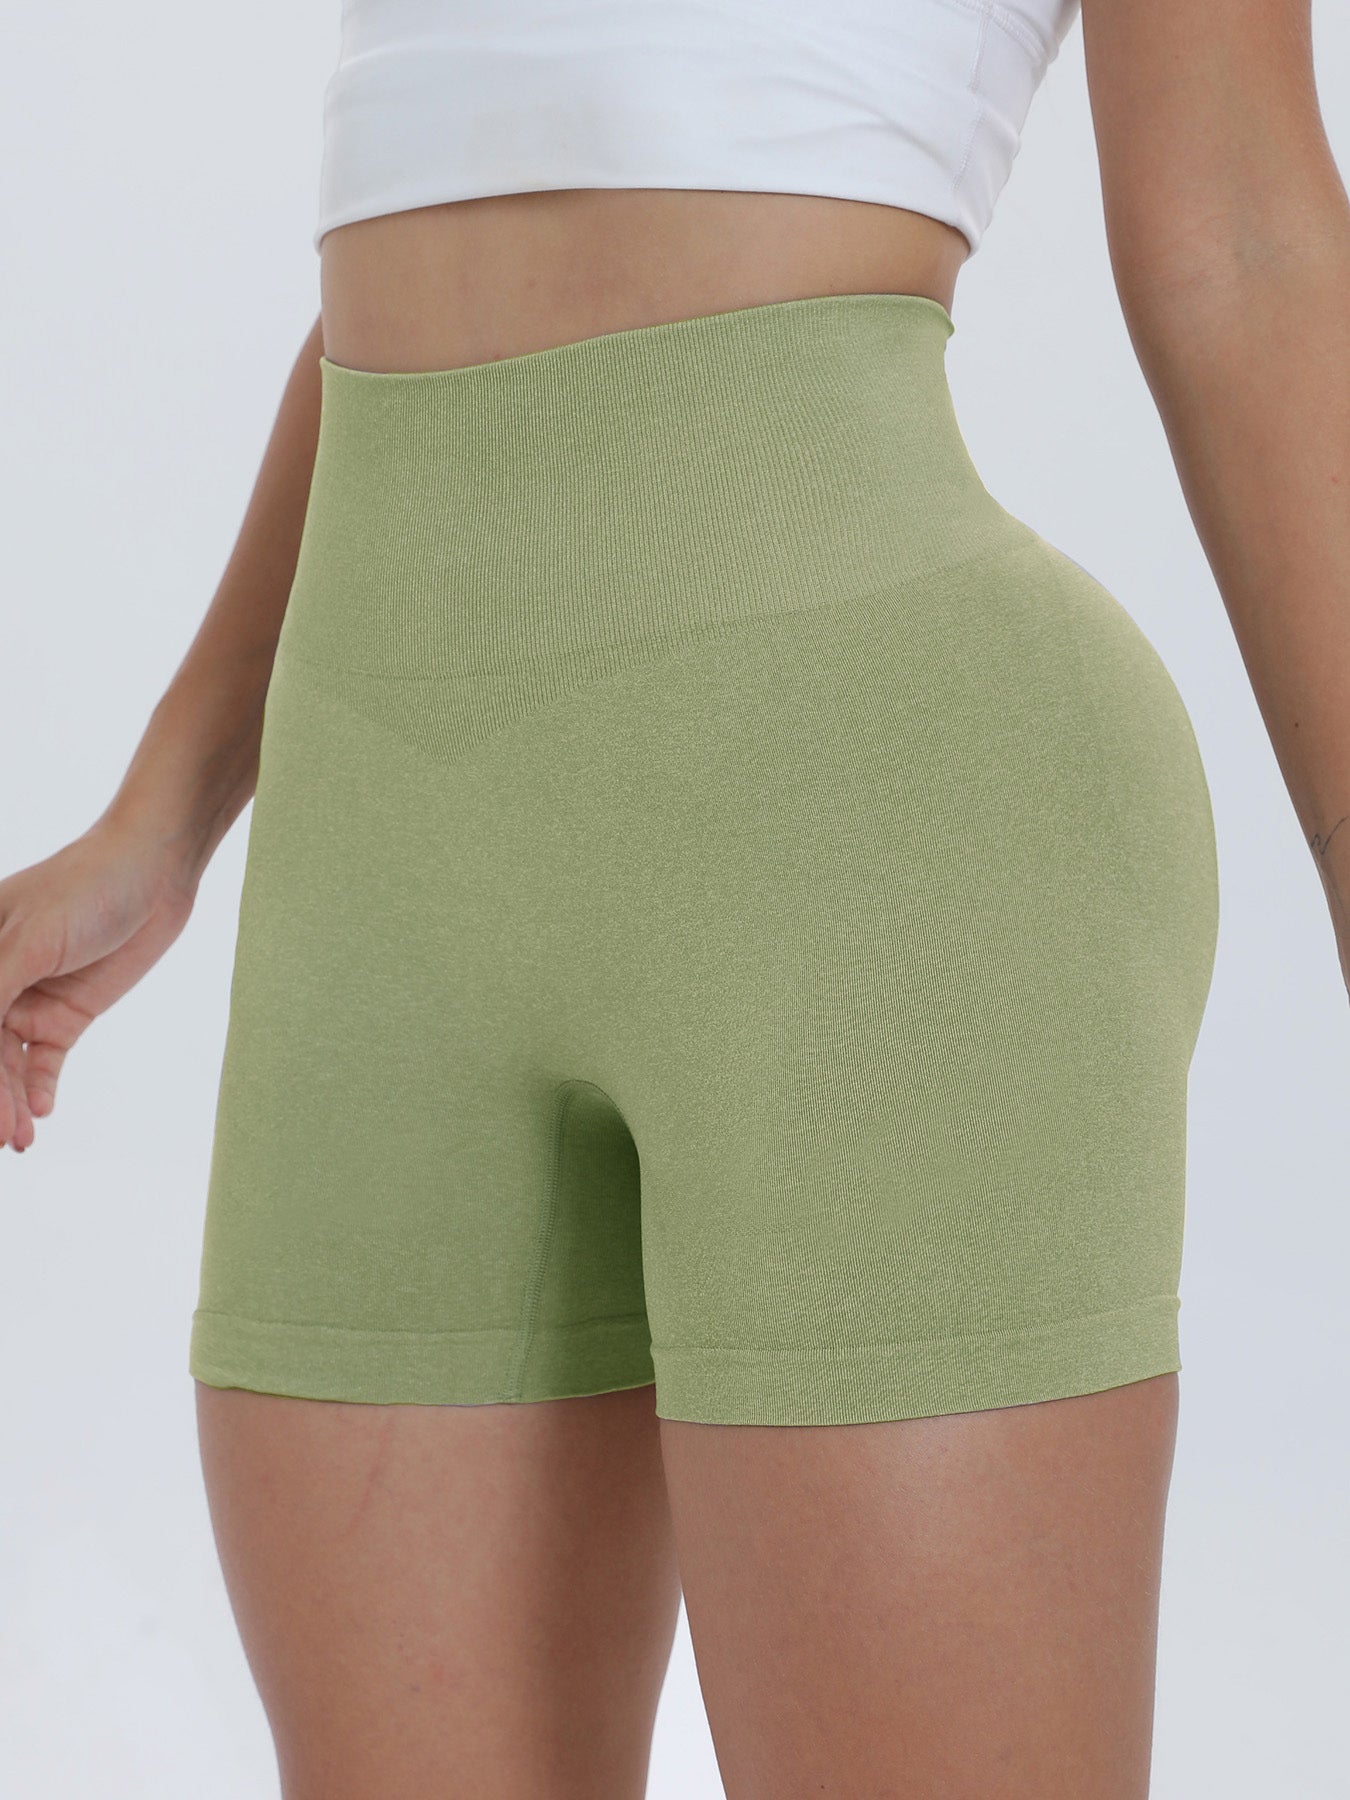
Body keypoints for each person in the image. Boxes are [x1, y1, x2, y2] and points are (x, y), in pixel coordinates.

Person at [3, 0, 1347, 1793]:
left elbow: (1243, 239)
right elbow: (454, 208)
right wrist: (160, 816)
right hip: (380, 845)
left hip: (870, 825)